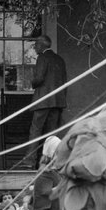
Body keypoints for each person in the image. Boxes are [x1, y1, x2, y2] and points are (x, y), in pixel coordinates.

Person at [27, 35, 67, 163]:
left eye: (35, 45)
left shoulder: (42, 57)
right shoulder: (60, 59)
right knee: (51, 134)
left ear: (41, 45)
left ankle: (30, 161)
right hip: (57, 101)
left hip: (43, 100)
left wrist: (31, 83)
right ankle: (50, 161)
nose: (34, 47)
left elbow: (39, 78)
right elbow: (64, 82)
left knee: (36, 130)